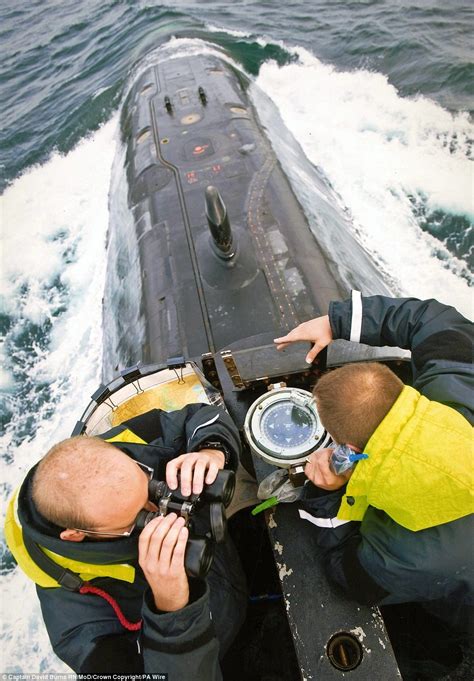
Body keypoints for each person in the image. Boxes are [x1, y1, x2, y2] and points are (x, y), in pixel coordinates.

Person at [274, 292, 473, 631]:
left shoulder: (407, 552)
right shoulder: (458, 379)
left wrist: (327, 494)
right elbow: (431, 317)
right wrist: (335, 322)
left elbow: (351, 579)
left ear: (348, 449)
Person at [5, 402, 247, 678]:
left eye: (151, 491)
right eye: (138, 520)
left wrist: (211, 450)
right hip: (216, 652)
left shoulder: (127, 445)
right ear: (76, 535)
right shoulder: (79, 631)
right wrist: (171, 608)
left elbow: (200, 415)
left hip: (234, 570)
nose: (158, 512)